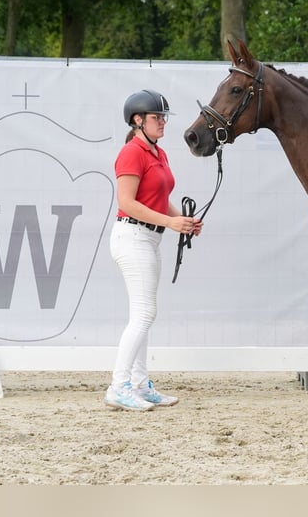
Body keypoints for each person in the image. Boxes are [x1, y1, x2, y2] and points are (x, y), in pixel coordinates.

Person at [104, 89, 203, 411]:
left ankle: (139, 383)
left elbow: (157, 199)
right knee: (145, 314)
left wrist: (181, 220)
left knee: (142, 315)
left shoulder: (157, 153)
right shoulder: (131, 153)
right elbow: (127, 203)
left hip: (150, 238)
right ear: (137, 120)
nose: (163, 123)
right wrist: (170, 223)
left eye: (163, 117)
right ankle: (118, 386)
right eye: (156, 117)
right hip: (132, 237)